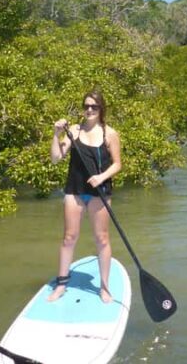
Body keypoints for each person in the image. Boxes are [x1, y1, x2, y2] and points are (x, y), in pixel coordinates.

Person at [49, 89, 122, 303]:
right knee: (69, 237)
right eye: (86, 106)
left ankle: (104, 287)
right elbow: (55, 158)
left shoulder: (110, 133)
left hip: (99, 192)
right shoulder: (74, 130)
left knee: (102, 238)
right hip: (75, 191)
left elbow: (117, 164)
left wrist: (101, 177)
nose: (89, 109)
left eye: (94, 106)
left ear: (101, 109)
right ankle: (61, 285)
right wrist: (56, 134)